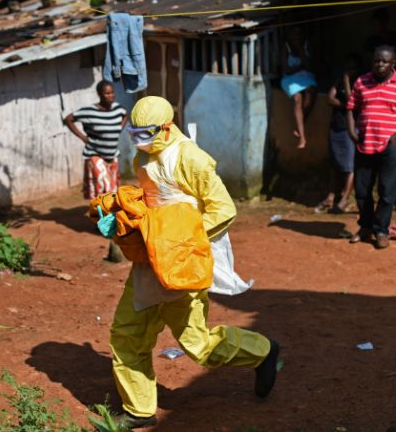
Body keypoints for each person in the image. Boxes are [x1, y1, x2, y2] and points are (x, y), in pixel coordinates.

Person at [109, 96, 280, 428]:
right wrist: (128, 212)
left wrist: (179, 242)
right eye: (134, 134)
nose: (139, 141)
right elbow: (153, 197)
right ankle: (139, 409)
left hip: (183, 262)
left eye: (146, 134)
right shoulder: (141, 155)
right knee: (127, 333)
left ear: (167, 128)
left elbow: (223, 209)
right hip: (150, 258)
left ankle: (262, 351)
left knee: (197, 345)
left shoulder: (191, 158)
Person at [346, 46, 396, 249]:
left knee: (387, 192)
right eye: (376, 60)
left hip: (390, 147)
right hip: (364, 143)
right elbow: (351, 108)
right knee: (362, 191)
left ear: (393, 63)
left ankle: (381, 231)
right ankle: (365, 227)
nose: (379, 64)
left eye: (384, 61)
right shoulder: (362, 82)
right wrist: (352, 131)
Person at [64, 80, 128, 200]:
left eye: (112, 92)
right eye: (107, 93)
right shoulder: (89, 111)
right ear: (100, 94)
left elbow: (125, 114)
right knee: (105, 188)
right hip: (95, 154)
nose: (111, 96)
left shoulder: (117, 109)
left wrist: (119, 128)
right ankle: (103, 216)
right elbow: (68, 119)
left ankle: (106, 215)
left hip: (112, 155)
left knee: (113, 191)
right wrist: (83, 137)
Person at [315, 53, 362, 214]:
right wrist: (344, 104)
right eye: (347, 68)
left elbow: (351, 102)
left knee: (349, 166)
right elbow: (329, 98)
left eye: (352, 68)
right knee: (335, 165)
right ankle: (330, 197)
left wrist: (347, 81)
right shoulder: (338, 80)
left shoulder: (360, 83)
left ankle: (344, 199)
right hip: (336, 126)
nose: (348, 71)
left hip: (350, 128)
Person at [280, 26, 317, 149]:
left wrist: (301, 50)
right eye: (294, 34)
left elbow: (310, 65)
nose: (297, 37)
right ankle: (302, 137)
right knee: (297, 98)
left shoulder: (307, 45)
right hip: (289, 78)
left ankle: (299, 125)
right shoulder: (286, 47)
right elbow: (286, 69)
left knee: (310, 91)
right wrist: (301, 67)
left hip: (306, 76)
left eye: (299, 35)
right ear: (289, 36)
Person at [363, 8, 396, 75]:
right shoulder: (371, 41)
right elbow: (368, 61)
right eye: (372, 24)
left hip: (395, 75)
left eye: (376, 24)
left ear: (384, 24)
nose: (373, 27)